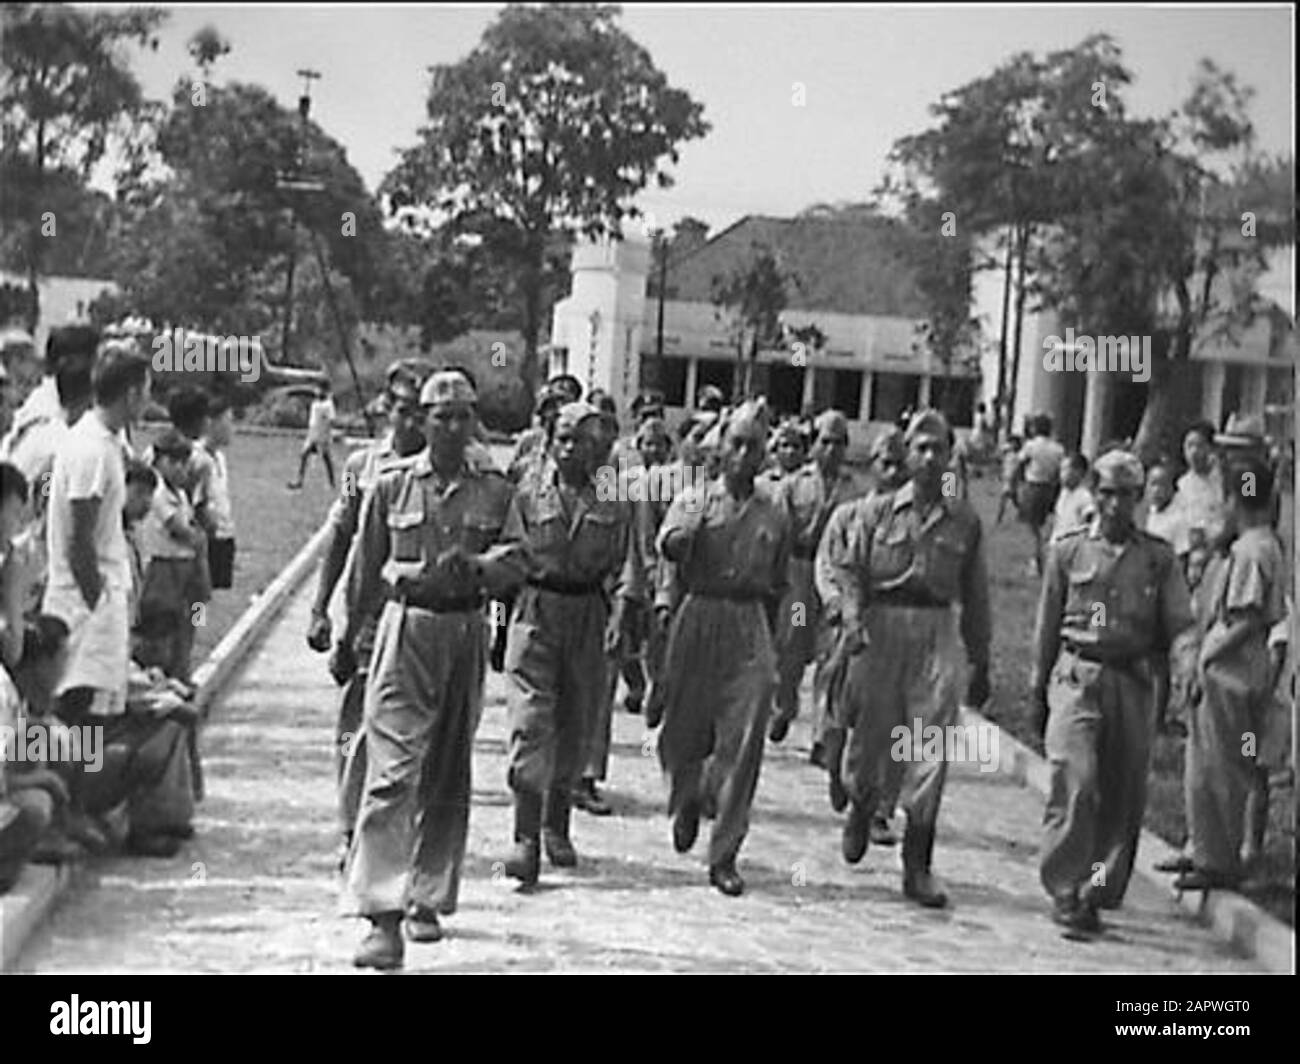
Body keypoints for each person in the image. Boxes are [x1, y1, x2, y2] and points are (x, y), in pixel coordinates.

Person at [343, 371, 515, 970]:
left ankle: (427, 895)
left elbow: (518, 559)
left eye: (462, 415)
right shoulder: (390, 486)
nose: (450, 426)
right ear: (419, 420)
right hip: (405, 630)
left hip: (464, 630)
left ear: (474, 422)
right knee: (391, 773)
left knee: (446, 769)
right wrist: (348, 637)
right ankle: (381, 915)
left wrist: (481, 565)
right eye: (438, 416)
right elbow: (364, 568)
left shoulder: (496, 489)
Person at [815, 410, 990, 909]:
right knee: (873, 744)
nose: (931, 458)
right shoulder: (877, 513)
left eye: (939, 448)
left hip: (936, 635)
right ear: (907, 455)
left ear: (951, 454)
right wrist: (850, 620)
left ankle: (918, 864)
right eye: (921, 448)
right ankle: (862, 803)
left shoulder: (965, 522)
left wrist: (981, 658)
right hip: (881, 632)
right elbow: (849, 572)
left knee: (929, 751)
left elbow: (976, 597)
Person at [1031, 450, 1193, 934]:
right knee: (1076, 780)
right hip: (1078, 676)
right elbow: (1046, 625)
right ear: (1094, 494)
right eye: (1106, 492)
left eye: (1126, 493)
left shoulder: (1157, 560)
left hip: (1132, 681)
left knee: (1122, 796)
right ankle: (1064, 886)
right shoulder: (1068, 551)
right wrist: (1037, 688)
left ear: (1140, 498)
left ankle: (1094, 888)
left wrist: (1186, 664)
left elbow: (1179, 623)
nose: (1116, 503)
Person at [493, 401, 643, 887]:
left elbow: (629, 567)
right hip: (536, 612)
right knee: (531, 724)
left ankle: (557, 824)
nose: (570, 448)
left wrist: (622, 615)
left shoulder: (615, 497)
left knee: (574, 726)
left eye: (582, 441)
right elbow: (505, 557)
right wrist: (499, 625)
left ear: (600, 449)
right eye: (562, 437)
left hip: (587, 616)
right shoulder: (526, 489)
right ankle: (525, 839)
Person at [653, 399, 792, 897]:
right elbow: (667, 543)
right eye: (737, 444)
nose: (745, 454)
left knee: (744, 739)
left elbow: (779, 585)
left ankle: (725, 851)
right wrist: (681, 537)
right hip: (700, 613)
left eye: (755, 447)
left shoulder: (774, 513)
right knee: (682, 735)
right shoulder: (695, 498)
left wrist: (777, 654)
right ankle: (686, 795)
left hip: (748, 622)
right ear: (721, 449)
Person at [306, 360, 434, 866]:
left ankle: (401, 836)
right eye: (405, 411)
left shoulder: (444, 470)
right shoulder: (363, 467)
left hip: (420, 622)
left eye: (422, 413)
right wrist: (320, 610)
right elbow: (340, 538)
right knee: (357, 727)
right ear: (386, 409)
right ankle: (351, 830)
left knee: (414, 732)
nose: (414, 424)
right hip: (368, 618)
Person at [1176, 454, 1286, 892]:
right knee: (1206, 761)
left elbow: (1247, 617)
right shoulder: (1259, 545)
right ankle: (1202, 846)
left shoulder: (1252, 550)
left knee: (1220, 765)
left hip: (1231, 673)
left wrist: (1207, 655)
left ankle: (1216, 857)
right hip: (1236, 671)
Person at [767, 411, 861, 745]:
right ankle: (784, 704)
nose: (832, 449)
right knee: (792, 644)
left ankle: (823, 732)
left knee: (831, 651)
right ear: (814, 445)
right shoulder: (795, 485)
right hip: (799, 575)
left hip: (835, 578)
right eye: (825, 441)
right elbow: (777, 533)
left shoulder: (855, 491)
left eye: (839, 442)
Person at [135, 429, 208, 683]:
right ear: (158, 460)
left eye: (183, 463)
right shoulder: (157, 491)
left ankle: (183, 672)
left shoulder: (180, 492)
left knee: (190, 620)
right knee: (161, 629)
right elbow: (179, 529)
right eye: (173, 462)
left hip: (186, 569)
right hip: (163, 569)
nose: (180, 468)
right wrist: (198, 538)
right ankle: (164, 677)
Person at [1016, 414, 1065, 574]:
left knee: (1033, 527)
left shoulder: (1031, 446)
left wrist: (1016, 482)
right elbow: (1060, 470)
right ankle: (1041, 556)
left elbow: (1020, 463)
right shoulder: (1058, 449)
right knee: (1043, 524)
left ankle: (1037, 561)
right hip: (1050, 488)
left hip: (1033, 485)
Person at [198, 394, 236, 590]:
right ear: (211, 423)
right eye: (227, 421)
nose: (232, 428)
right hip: (206, 539)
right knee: (199, 597)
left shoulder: (220, 458)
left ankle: (203, 621)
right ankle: (197, 622)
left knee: (212, 594)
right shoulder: (198, 458)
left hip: (223, 536)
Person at [288, 380, 336, 490]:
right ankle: (299, 481)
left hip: (322, 434)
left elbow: (331, 420)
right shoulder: (316, 403)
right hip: (313, 433)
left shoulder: (328, 404)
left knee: (326, 458)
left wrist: (326, 433)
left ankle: (331, 482)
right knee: (304, 454)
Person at [1050, 453, 1095, 541]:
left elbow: (1089, 524)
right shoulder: (1064, 492)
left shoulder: (1084, 497)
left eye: (1065, 469)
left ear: (1079, 472)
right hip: (1058, 545)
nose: (1061, 474)